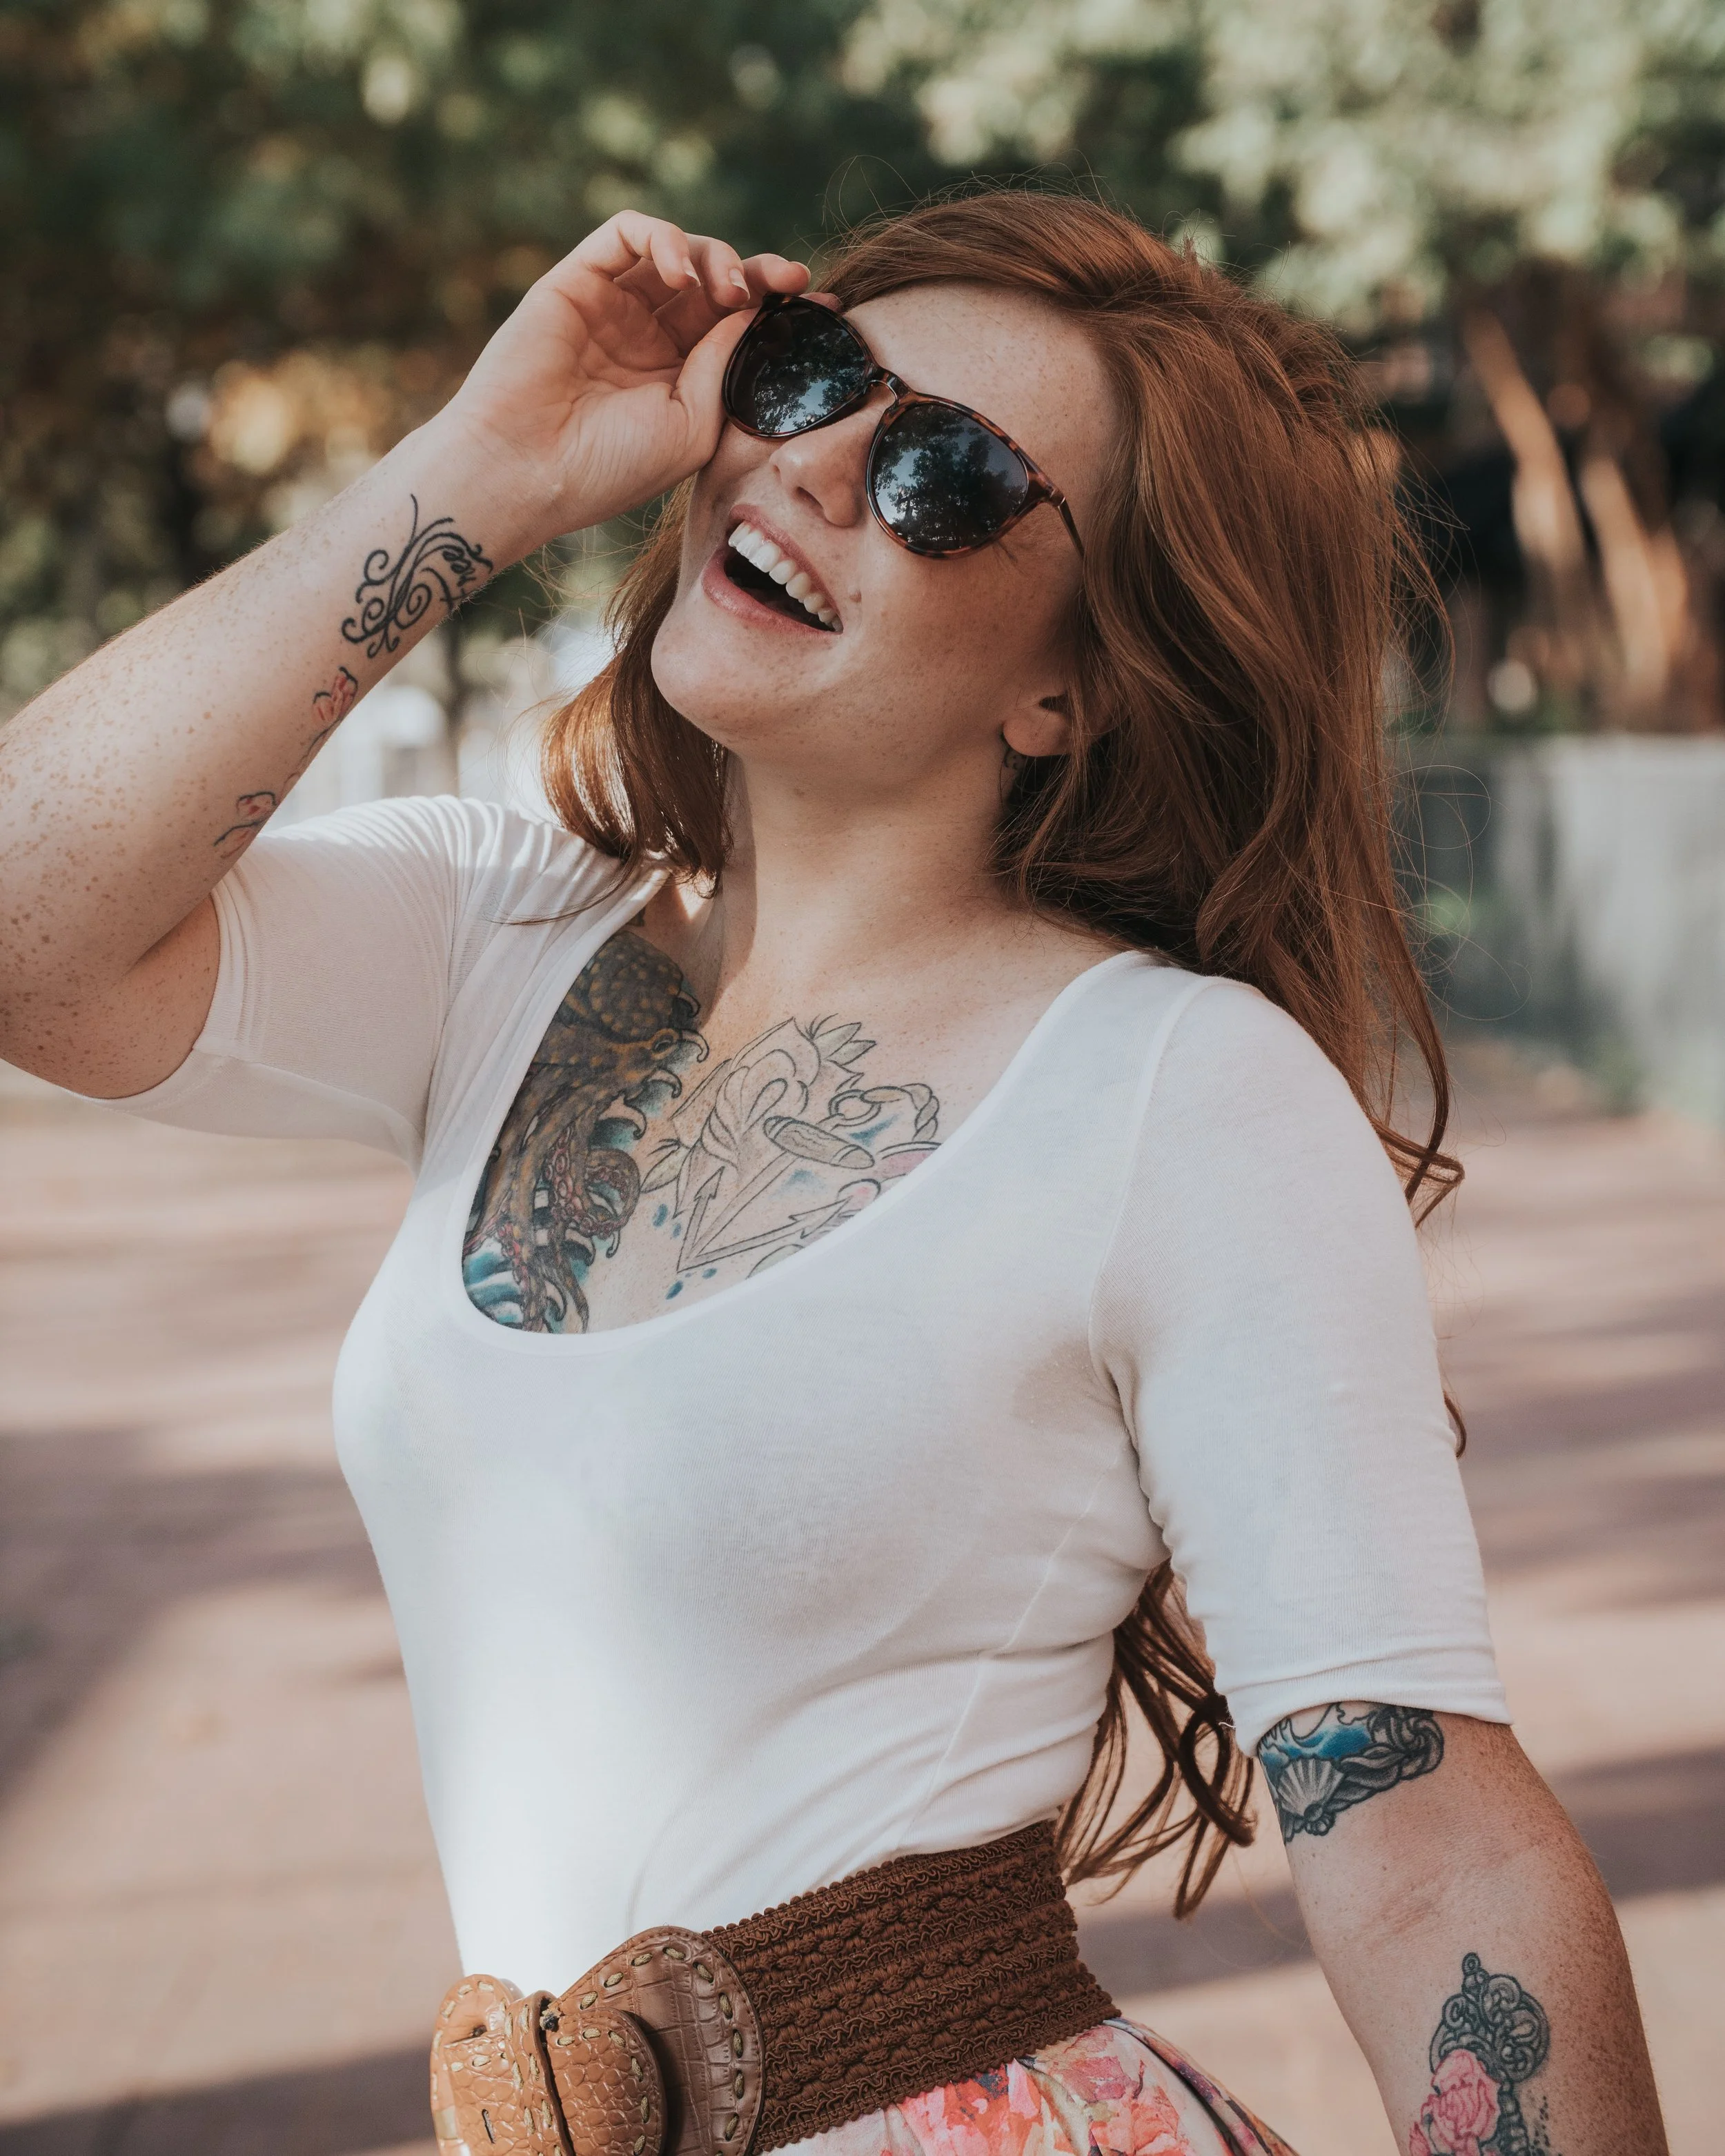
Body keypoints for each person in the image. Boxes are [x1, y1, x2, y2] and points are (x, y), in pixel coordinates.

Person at [0, 191, 1663, 2156]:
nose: (817, 467)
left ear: (1069, 689)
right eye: (810, 379)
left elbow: (1419, 1820)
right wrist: (486, 466)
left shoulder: (1177, 1091)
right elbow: (36, 920)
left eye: (949, 475)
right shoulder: (502, 936)